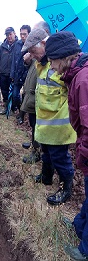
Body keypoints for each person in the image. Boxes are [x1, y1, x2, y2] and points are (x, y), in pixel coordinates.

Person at [45, 31, 88, 261]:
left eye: (52, 60)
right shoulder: (76, 75)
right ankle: (79, 225)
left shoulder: (83, 80)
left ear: (62, 57)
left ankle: (85, 250)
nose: (51, 66)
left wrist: (84, 154)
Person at [21, 28, 76, 205]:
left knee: (60, 159)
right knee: (46, 153)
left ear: (43, 44)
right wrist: (32, 56)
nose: (32, 55)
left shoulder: (61, 68)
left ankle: (65, 188)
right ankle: (46, 177)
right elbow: (38, 63)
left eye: (33, 51)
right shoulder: (43, 65)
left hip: (59, 126)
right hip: (45, 124)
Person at [20, 21, 51, 164]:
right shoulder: (37, 56)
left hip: (40, 100)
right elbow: (32, 71)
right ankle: (35, 148)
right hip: (33, 96)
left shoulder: (50, 58)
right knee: (34, 125)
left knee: (39, 127)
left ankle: (38, 152)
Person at [10, 25, 31, 119]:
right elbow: (14, 60)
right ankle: (19, 110)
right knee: (15, 95)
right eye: (21, 34)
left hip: (27, 76)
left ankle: (22, 116)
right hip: (17, 75)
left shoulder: (32, 45)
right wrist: (12, 74)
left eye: (25, 34)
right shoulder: (17, 44)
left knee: (26, 97)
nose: (22, 36)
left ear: (29, 34)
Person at [0, 27, 18, 115]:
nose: (9, 36)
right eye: (7, 35)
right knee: (4, 91)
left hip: (13, 74)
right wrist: (0, 66)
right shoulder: (3, 46)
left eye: (10, 34)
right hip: (3, 73)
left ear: (14, 34)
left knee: (14, 93)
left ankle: (13, 109)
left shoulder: (19, 45)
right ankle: (6, 107)